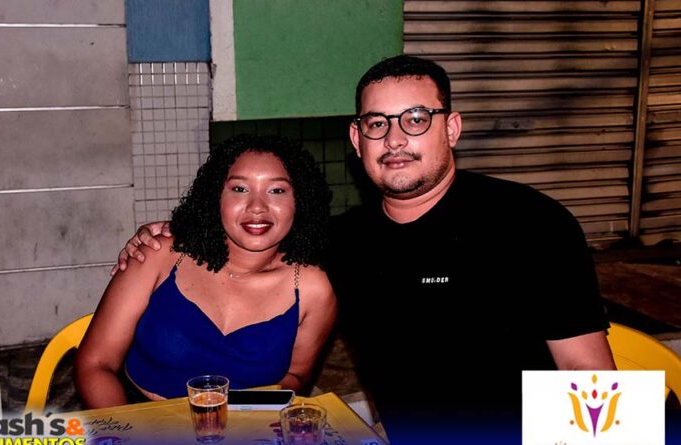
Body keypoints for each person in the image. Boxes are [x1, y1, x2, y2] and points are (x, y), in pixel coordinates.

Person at [112, 56, 615, 442]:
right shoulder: (340, 242)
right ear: (357, 138)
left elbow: (589, 376)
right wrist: (167, 234)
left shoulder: (532, 223)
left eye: (415, 119)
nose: (394, 139)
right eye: (377, 123)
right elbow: (248, 243)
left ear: (451, 128)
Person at [75, 134, 336, 408]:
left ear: (300, 200)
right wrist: (129, 428)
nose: (257, 207)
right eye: (239, 189)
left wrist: (246, 417)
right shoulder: (159, 254)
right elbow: (95, 363)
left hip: (243, 424)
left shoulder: (312, 288)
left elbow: (295, 376)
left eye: (277, 190)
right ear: (216, 196)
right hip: (136, 414)